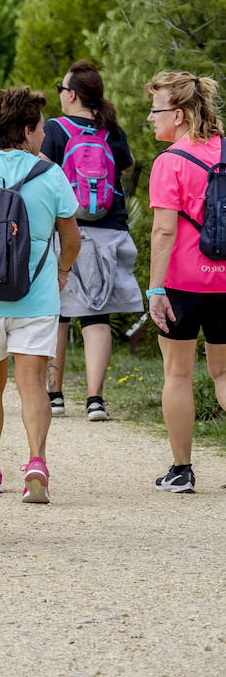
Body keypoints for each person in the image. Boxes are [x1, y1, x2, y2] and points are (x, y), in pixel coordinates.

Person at [0, 87, 80, 503]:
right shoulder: (50, 174)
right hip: (36, 295)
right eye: (42, 129)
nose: (45, 136)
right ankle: (35, 461)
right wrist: (62, 270)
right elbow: (71, 238)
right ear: (28, 130)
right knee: (32, 381)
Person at [42, 60, 142, 422]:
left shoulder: (55, 128)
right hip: (109, 228)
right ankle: (95, 400)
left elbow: (42, 170)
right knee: (97, 314)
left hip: (65, 227)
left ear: (71, 95)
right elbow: (128, 164)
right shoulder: (112, 131)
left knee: (58, 311)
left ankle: (54, 395)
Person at [144, 71, 226, 493]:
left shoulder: (170, 162)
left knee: (177, 374)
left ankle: (181, 471)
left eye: (155, 111)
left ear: (177, 115)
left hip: (184, 283)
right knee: (224, 373)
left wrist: (155, 290)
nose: (150, 118)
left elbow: (164, 232)